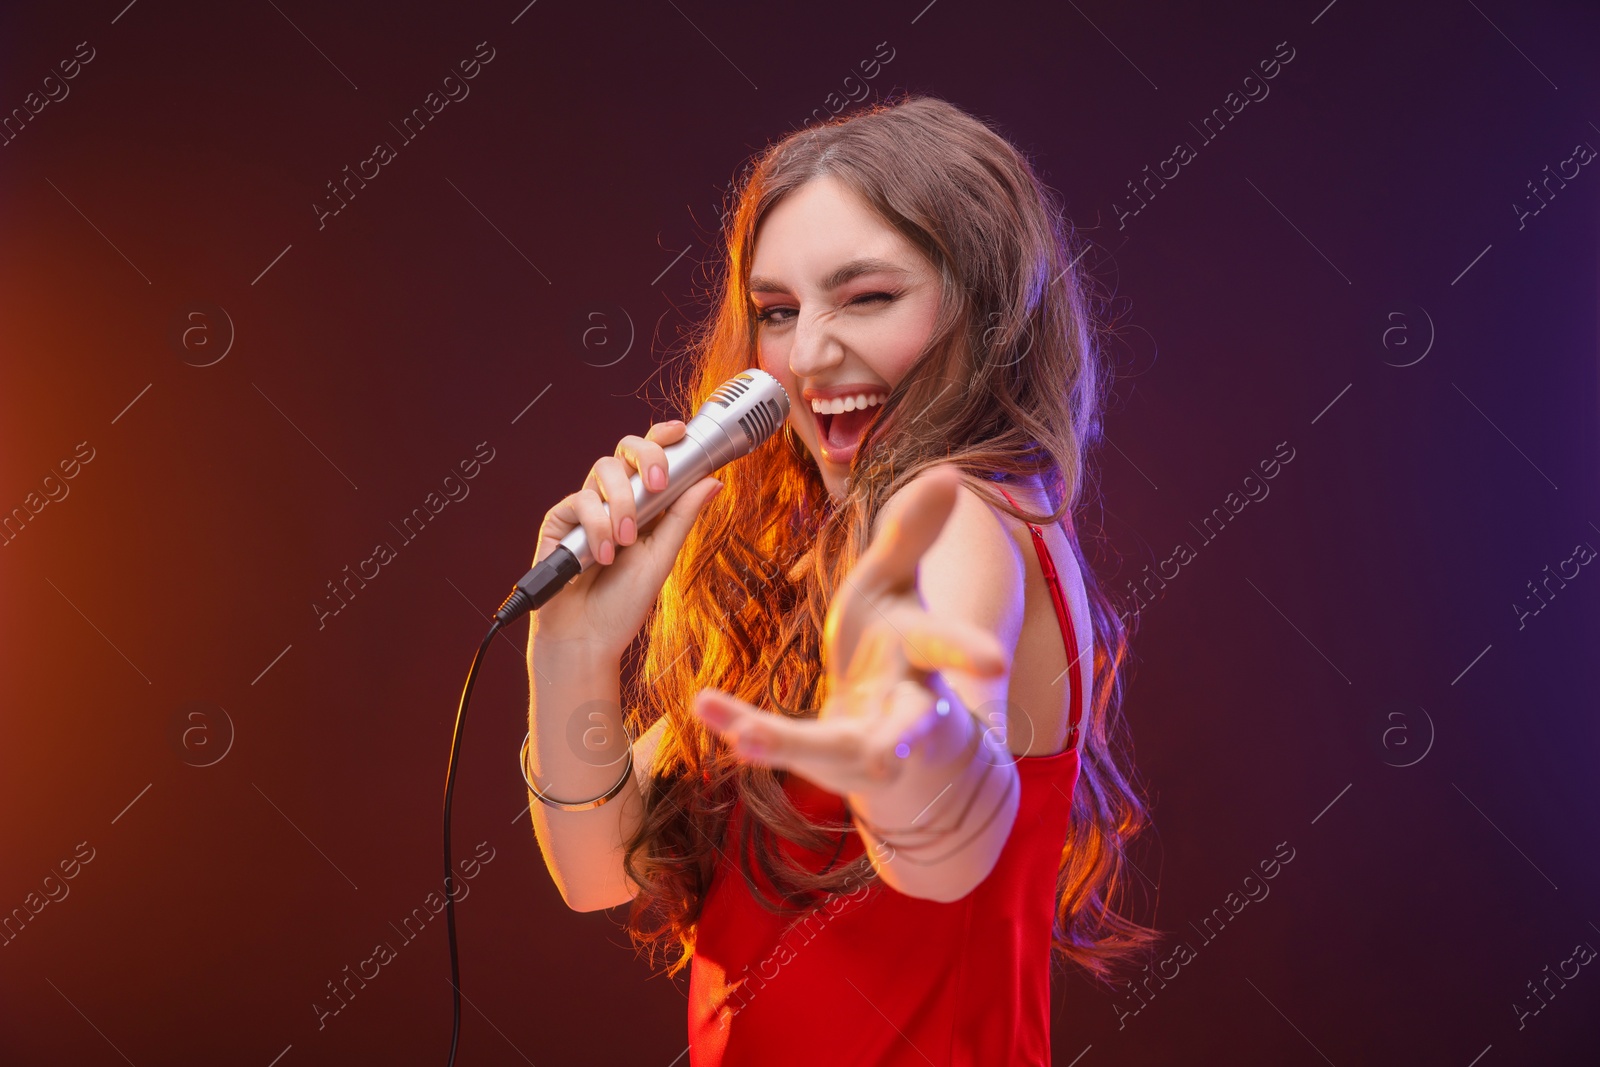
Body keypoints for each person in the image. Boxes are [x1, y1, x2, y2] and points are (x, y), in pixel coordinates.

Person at [521, 94, 1158, 1065]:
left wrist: (915, 754)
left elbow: (943, 849)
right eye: (777, 311)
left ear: (983, 308)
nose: (809, 356)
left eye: (866, 298)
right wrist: (569, 646)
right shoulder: (802, 563)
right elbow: (594, 867)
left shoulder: (964, 513)